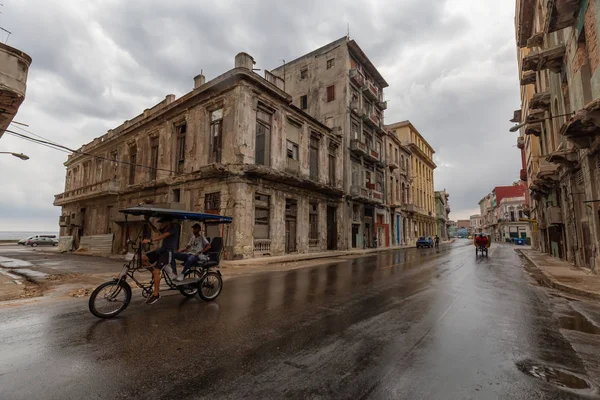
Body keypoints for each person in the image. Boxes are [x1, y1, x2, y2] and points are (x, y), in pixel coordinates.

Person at [141, 216, 179, 305]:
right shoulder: (165, 229)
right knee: (143, 259)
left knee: (156, 271)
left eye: (162, 222)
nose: (161, 224)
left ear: (168, 222)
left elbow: (163, 236)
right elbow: (155, 230)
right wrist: (148, 222)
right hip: (161, 251)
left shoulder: (173, 229)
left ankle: (156, 294)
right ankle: (154, 273)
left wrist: (150, 240)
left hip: (167, 253)